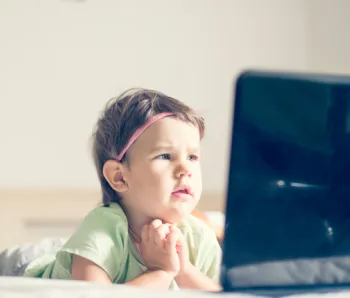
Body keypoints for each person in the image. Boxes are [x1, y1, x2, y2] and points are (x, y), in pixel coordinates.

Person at [23, 88, 222, 291]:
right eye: (165, 156)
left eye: (192, 157)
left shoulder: (200, 238)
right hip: (27, 272)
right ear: (119, 177)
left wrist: (184, 270)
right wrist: (160, 272)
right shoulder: (105, 227)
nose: (185, 170)